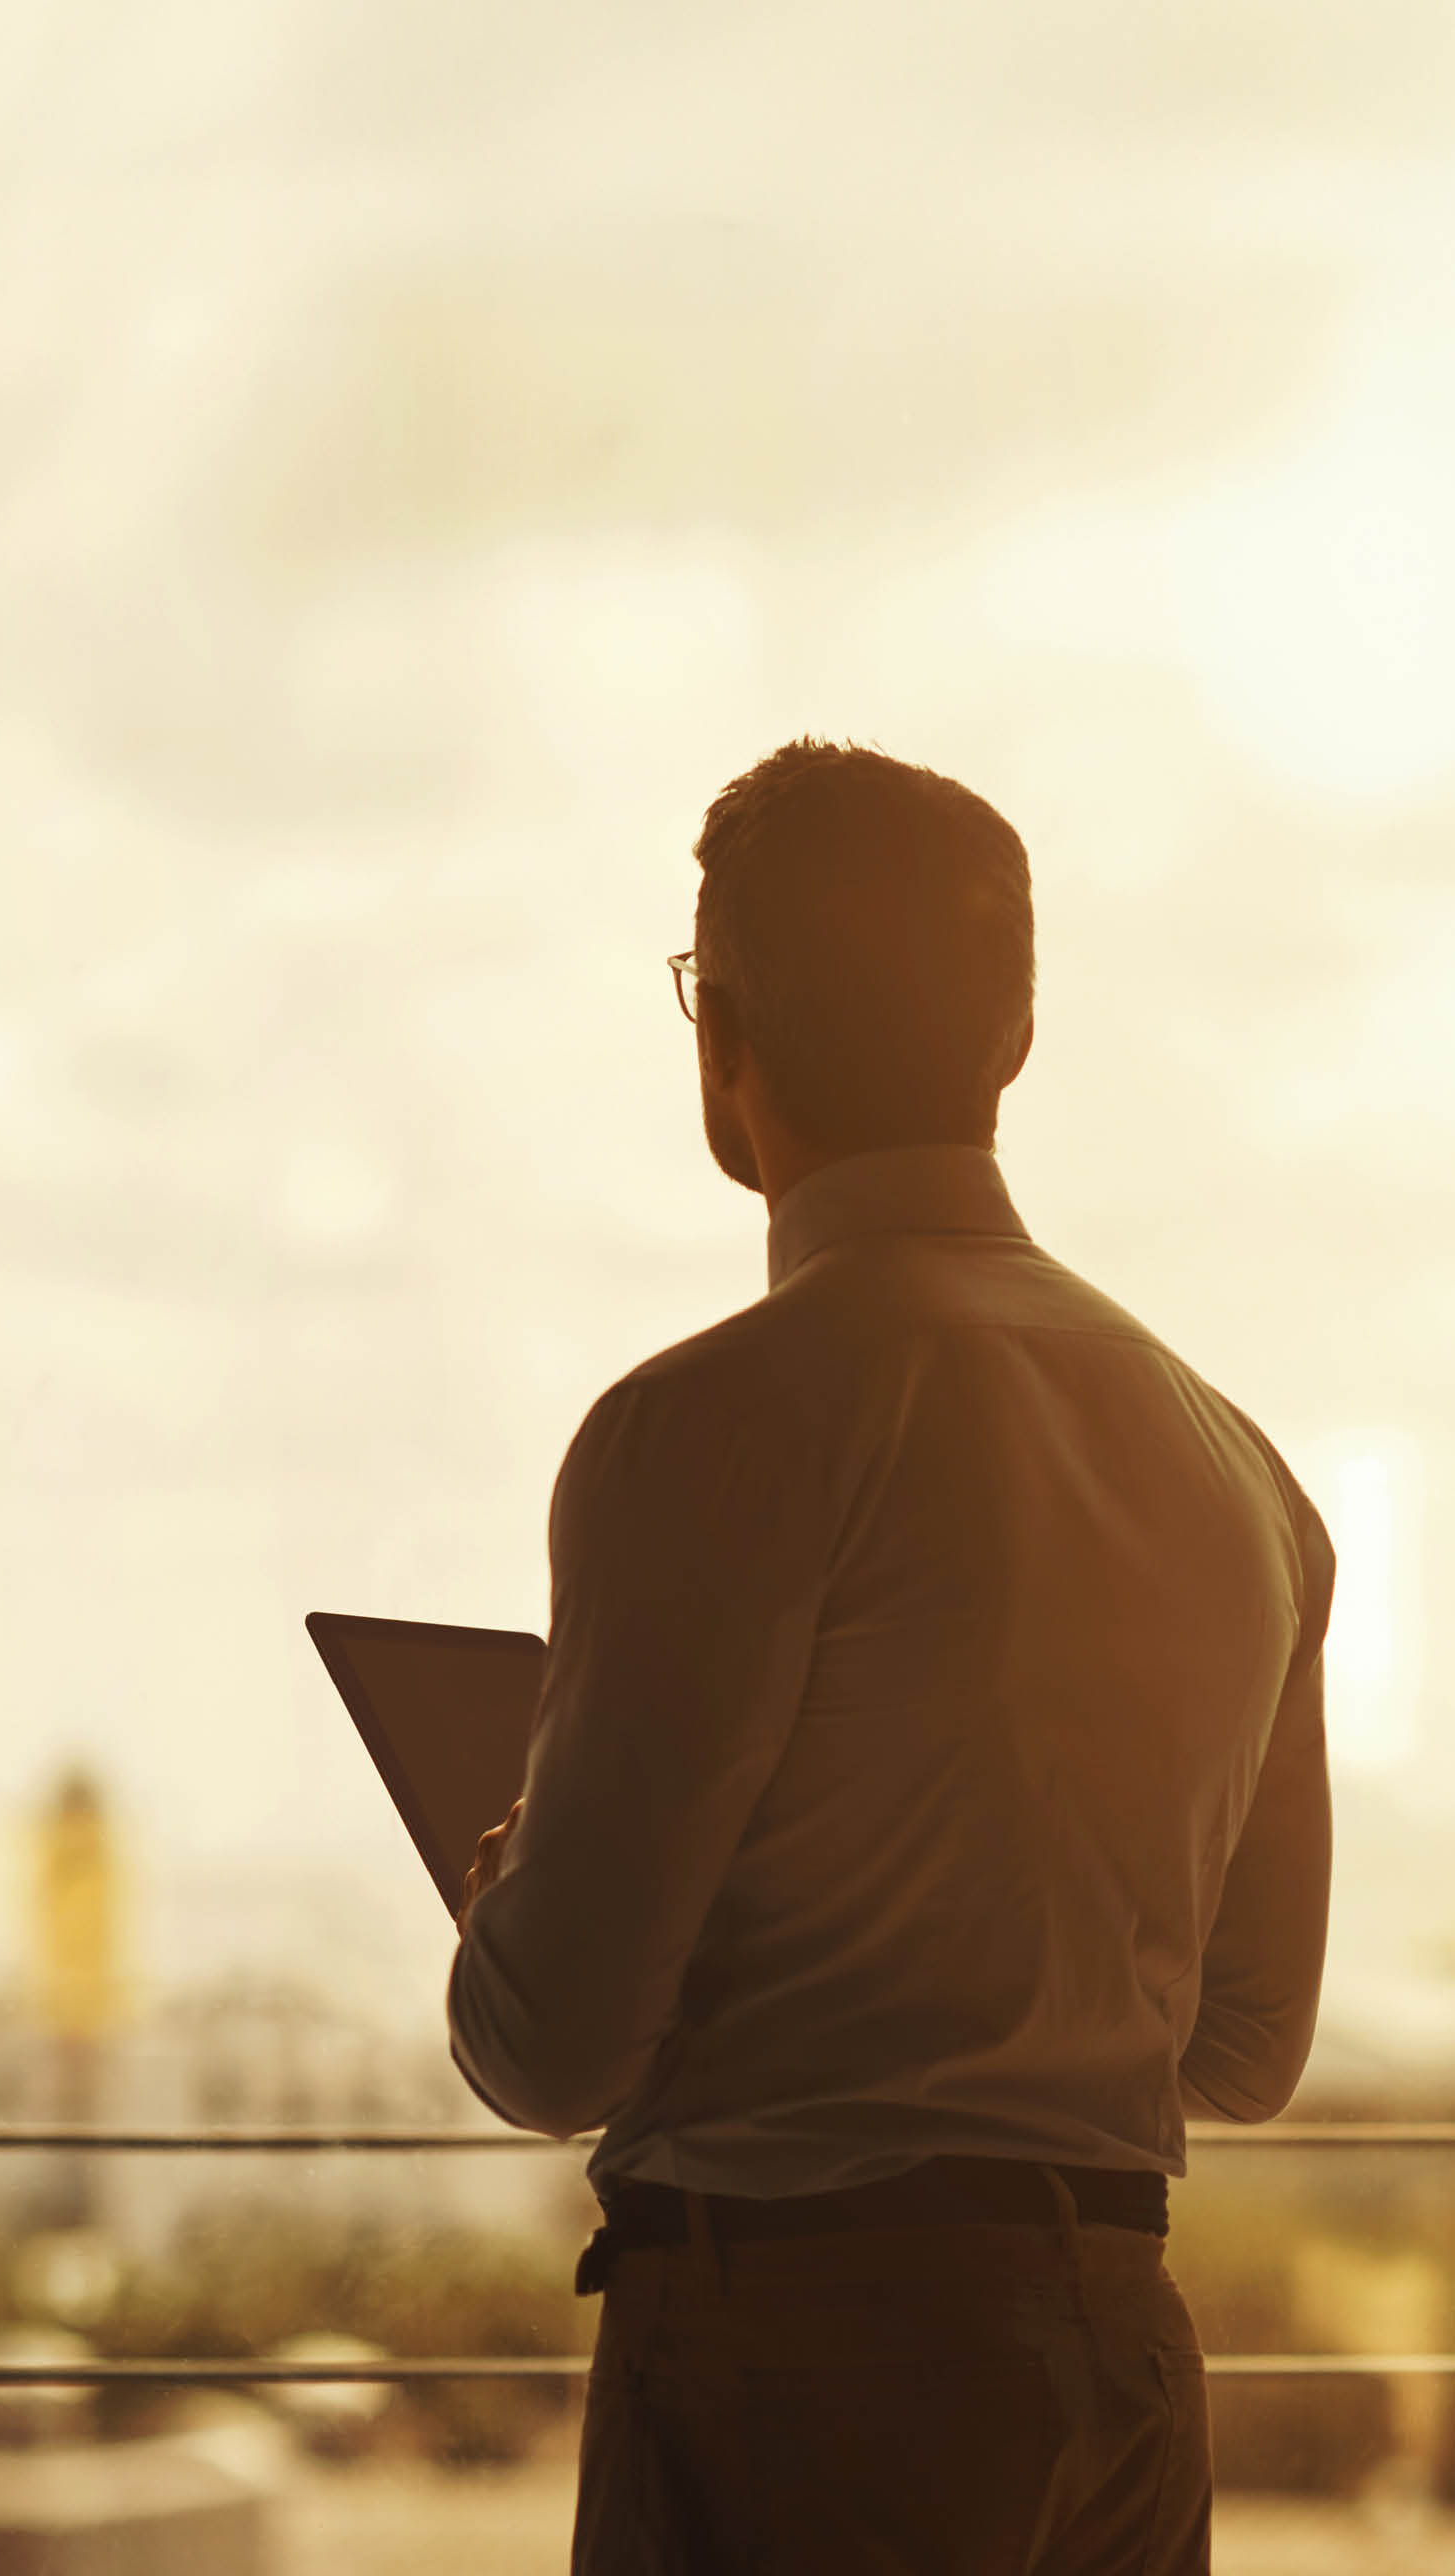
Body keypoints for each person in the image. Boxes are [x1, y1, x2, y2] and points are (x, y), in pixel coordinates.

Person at [448, 740, 1332, 2574]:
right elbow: (1245, 2050)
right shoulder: (1242, 1470)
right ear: (1009, 1041)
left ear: (725, 1040)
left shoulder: (701, 1429)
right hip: (1124, 2372)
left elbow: (551, 2051)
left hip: (804, 2370)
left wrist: (505, 1887)